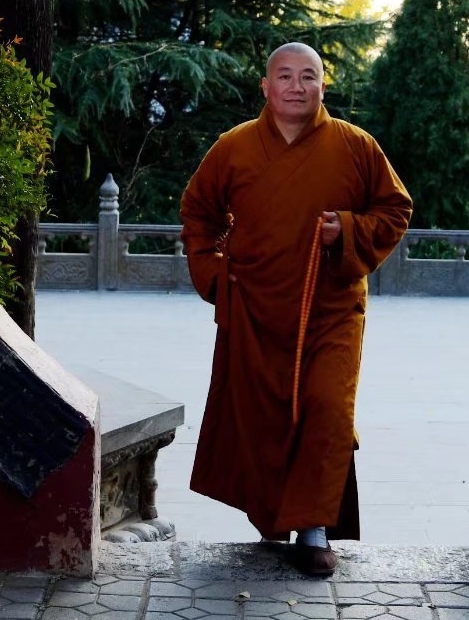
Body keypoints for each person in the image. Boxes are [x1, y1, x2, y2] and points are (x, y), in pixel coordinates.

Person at [179, 42, 412, 576]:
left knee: (327, 408)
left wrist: (347, 231)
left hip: (329, 307)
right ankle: (272, 514)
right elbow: (198, 212)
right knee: (264, 412)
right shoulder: (234, 147)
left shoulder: (355, 146)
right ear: (266, 86)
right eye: (285, 76)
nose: (296, 86)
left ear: (322, 86)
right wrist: (215, 274)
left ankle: (313, 531)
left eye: (308, 76)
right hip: (257, 309)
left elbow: (395, 208)